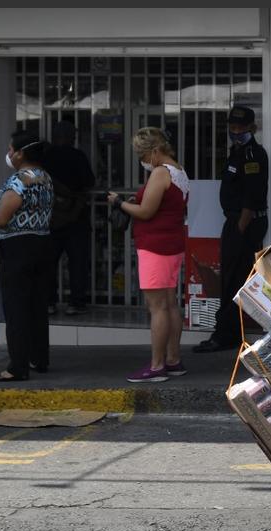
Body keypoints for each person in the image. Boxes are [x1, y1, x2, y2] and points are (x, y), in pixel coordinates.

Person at [107, 128, 188, 383]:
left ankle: (156, 366)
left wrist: (119, 202)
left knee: (157, 307)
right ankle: (173, 360)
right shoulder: (180, 172)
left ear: (155, 151)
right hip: (173, 244)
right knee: (170, 303)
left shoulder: (161, 172)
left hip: (156, 246)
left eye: (143, 154)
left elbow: (145, 212)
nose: (142, 159)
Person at [194, 106, 269, 353]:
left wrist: (239, 228)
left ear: (252, 128)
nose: (235, 132)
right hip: (237, 222)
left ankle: (224, 334)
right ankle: (230, 331)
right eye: (232, 127)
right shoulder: (237, 152)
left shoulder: (253, 156)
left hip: (245, 224)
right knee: (232, 278)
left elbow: (252, 197)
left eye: (241, 127)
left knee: (234, 280)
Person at [0, 130, 53, 382]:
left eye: (12, 149)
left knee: (16, 308)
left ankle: (17, 367)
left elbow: (2, 219)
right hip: (42, 244)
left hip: (16, 249)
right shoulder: (44, 177)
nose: (9, 154)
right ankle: (38, 358)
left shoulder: (19, 180)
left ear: (22, 153)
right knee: (36, 305)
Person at [42, 120, 96, 316]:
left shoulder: (44, 157)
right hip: (76, 217)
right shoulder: (78, 156)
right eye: (72, 135)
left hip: (51, 218)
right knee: (78, 262)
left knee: (48, 262)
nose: (74, 139)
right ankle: (76, 303)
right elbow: (89, 181)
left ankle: (49, 302)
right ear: (67, 136)